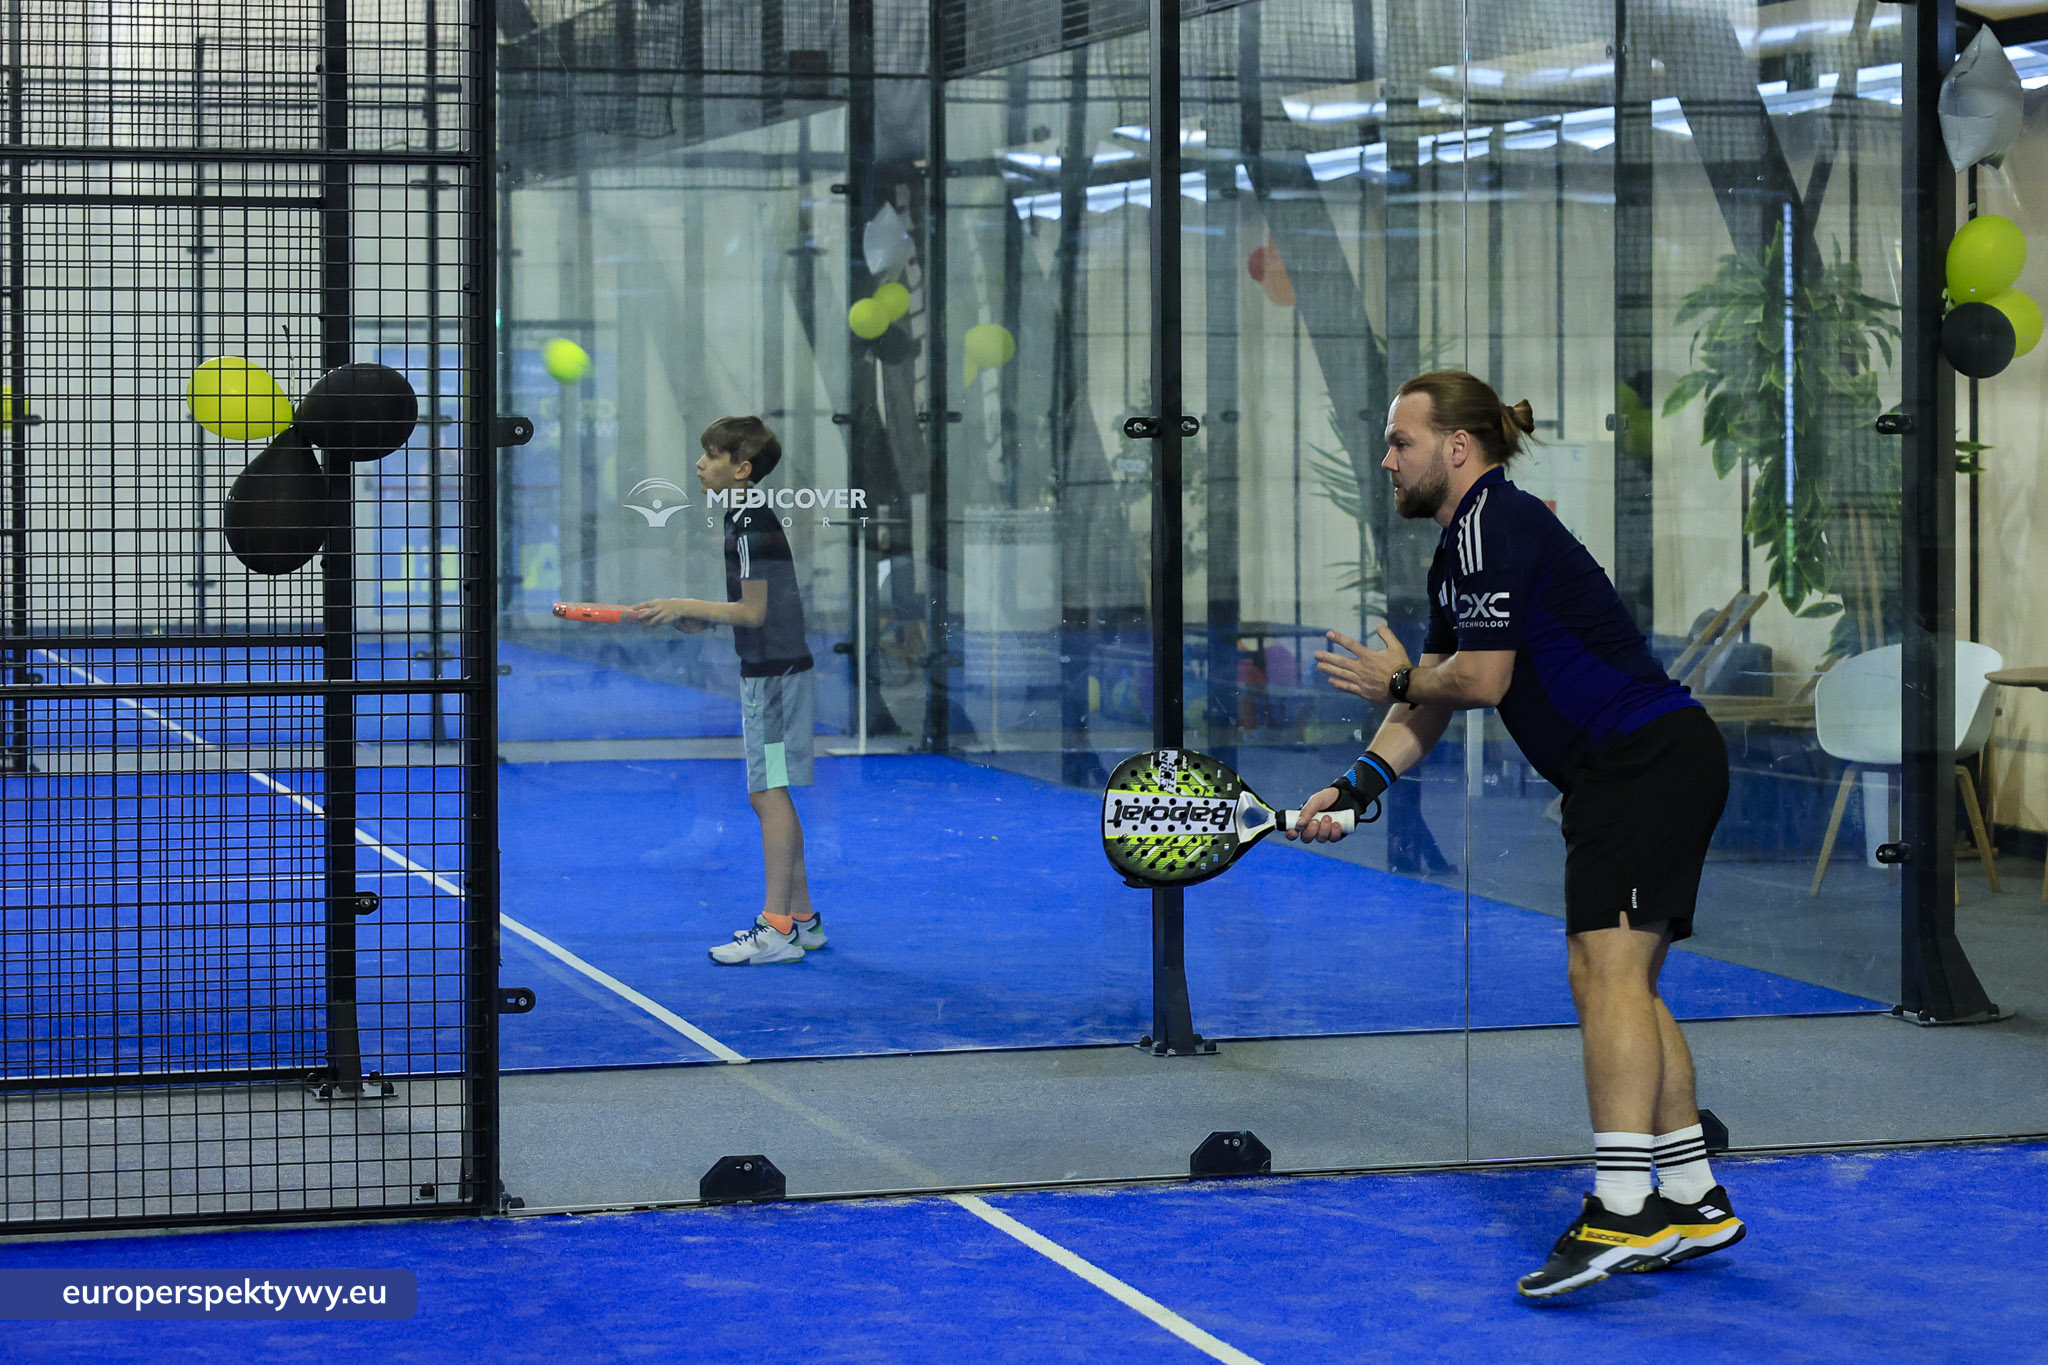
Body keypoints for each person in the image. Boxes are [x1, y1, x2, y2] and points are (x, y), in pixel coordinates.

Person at [1290, 371, 1741, 1297]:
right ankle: (1691, 1196)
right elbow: (1436, 697)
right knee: (1628, 979)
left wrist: (1404, 678)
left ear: (1457, 447)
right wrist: (1354, 783)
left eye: (1400, 442)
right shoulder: (1465, 543)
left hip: (1640, 759)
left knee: (1602, 971)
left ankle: (1622, 1211)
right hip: (1643, 763)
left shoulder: (1494, 522)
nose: (1387, 459)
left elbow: (1480, 680)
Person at [633, 416, 824, 966]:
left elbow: (754, 610)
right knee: (775, 791)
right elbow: (753, 611)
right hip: (775, 668)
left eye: (711, 455)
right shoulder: (743, 518)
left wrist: (687, 605)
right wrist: (704, 620)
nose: (700, 463)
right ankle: (804, 920)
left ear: (740, 469)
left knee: (767, 795)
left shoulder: (748, 525)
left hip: (774, 678)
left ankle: (777, 928)